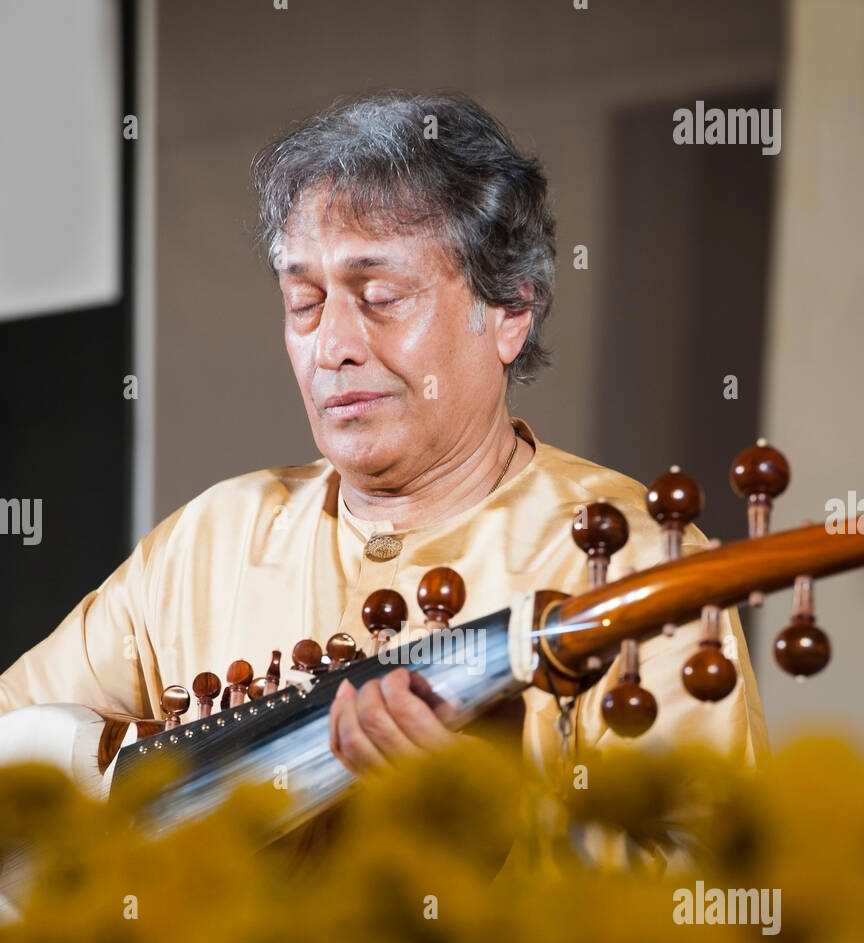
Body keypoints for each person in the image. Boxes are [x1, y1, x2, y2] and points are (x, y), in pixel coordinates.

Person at [0, 91, 766, 804]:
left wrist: (473, 822)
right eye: (304, 302)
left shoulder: (630, 560)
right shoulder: (210, 543)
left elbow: (686, 896)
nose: (332, 344)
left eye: (381, 298)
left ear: (509, 310)